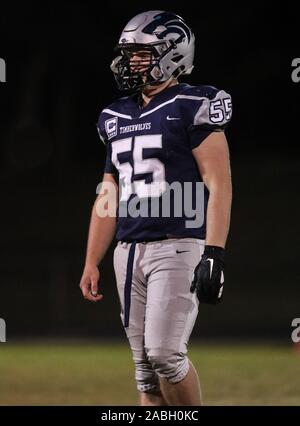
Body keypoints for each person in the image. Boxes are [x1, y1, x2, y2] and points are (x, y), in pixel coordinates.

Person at [80, 10, 232, 406]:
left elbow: (219, 184)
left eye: (143, 54)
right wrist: (92, 259)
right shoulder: (114, 115)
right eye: (130, 54)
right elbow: (107, 194)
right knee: (145, 369)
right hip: (128, 251)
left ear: (174, 54)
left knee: (165, 354)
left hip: (178, 244)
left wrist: (214, 251)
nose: (132, 62)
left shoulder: (194, 103)